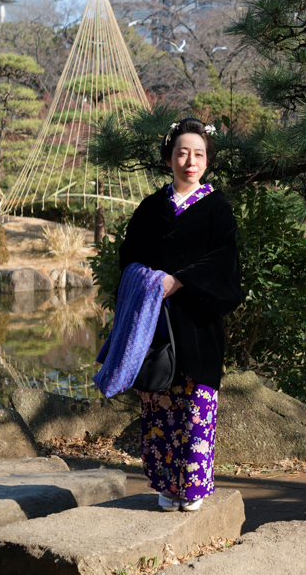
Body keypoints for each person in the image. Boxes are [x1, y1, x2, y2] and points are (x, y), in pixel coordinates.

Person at [118, 117, 243, 512]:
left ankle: (193, 488)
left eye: (199, 154)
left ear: (207, 160)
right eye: (182, 153)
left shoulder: (217, 207)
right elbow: (128, 258)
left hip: (198, 319)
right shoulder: (151, 207)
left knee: (196, 406)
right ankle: (164, 485)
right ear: (169, 157)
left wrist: (180, 280)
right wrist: (150, 281)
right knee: (158, 404)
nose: (190, 160)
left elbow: (225, 262)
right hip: (155, 321)